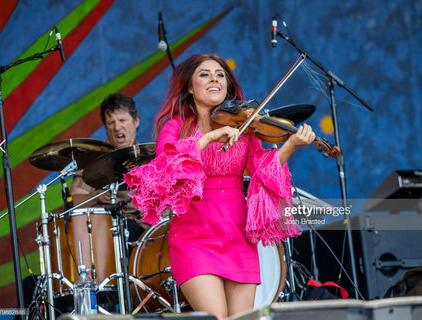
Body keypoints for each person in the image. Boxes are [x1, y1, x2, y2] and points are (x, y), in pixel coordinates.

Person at [123, 54, 315, 319]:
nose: (214, 78)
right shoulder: (176, 126)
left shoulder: (243, 126)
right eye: (204, 74)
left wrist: (290, 145)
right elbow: (164, 167)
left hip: (237, 234)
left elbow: (262, 171)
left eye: (220, 74)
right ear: (189, 87)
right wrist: (209, 137)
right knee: (216, 317)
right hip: (194, 237)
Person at [70, 93, 150, 242]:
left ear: (136, 121)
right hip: (111, 231)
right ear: (106, 127)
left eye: (122, 120)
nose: (117, 127)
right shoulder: (94, 160)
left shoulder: (149, 157)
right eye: (111, 122)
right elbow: (73, 202)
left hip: (150, 229)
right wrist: (96, 197)